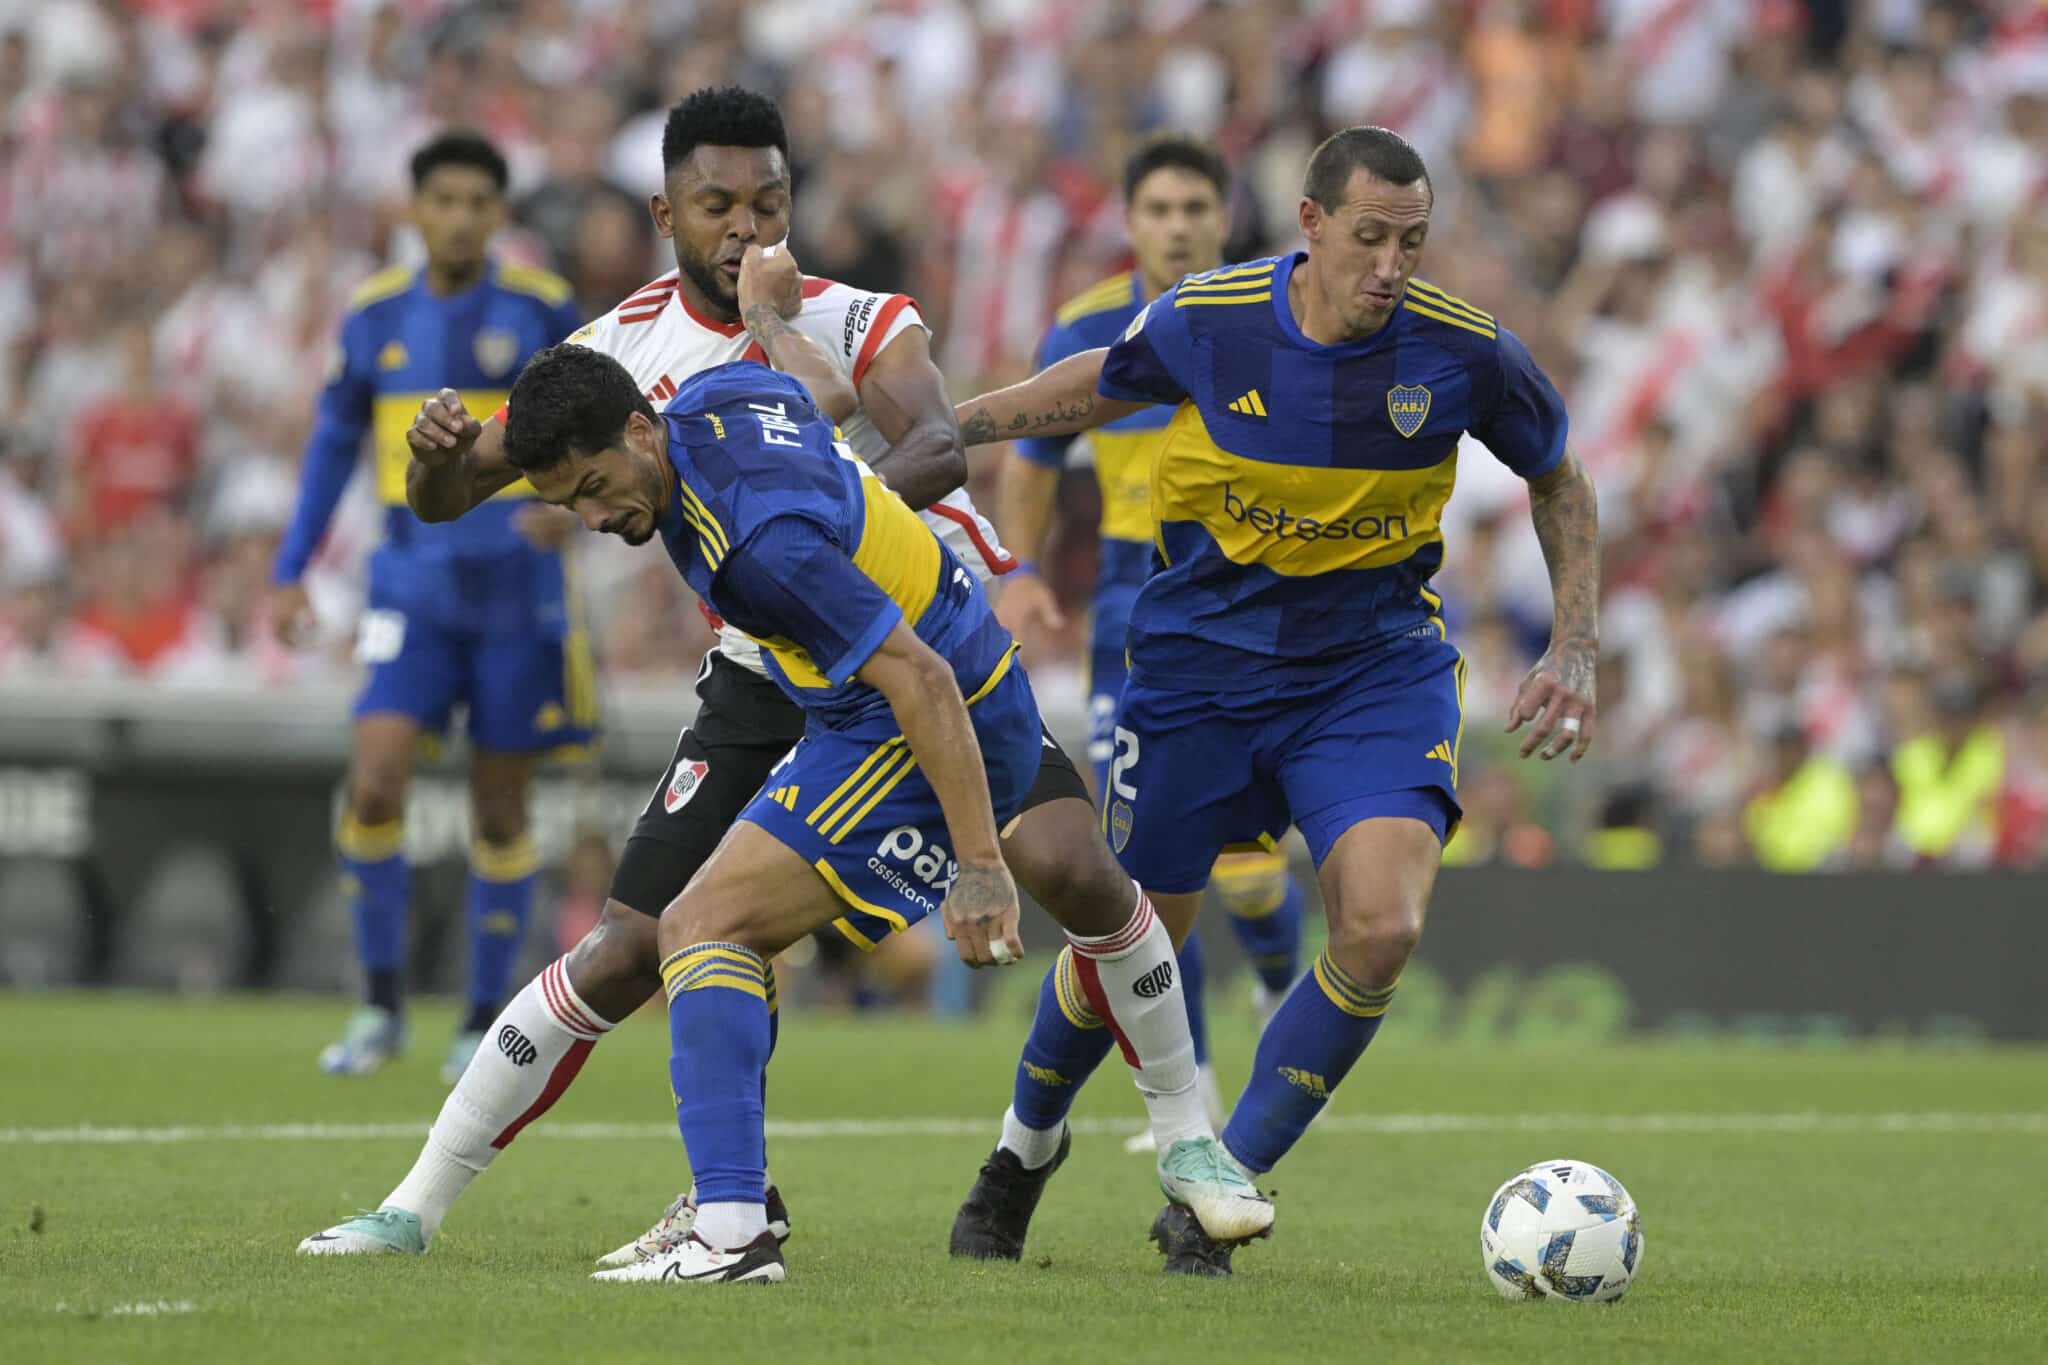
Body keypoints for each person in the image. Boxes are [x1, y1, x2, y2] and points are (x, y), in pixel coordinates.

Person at [297, 87, 1245, 1268]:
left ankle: (1176, 1137)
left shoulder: (847, 316)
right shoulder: (607, 358)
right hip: (765, 663)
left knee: (1068, 866)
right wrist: (434, 460)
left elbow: (937, 445)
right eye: (717, 205)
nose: (746, 226)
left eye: (768, 200)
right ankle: (424, 1207)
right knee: (632, 945)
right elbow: (459, 491)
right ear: (665, 215)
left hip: (894, 631)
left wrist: (804, 524)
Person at [946, 126, 1601, 1275]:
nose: (1389, 266)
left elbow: (1557, 478)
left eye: (1410, 241)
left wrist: (1575, 644)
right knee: (1131, 937)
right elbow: (1082, 390)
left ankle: (1217, 1189)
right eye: (1367, 238)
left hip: (1369, 673)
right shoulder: (1212, 319)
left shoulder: (1463, 352)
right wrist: (943, 431)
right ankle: (1021, 1150)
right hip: (1198, 670)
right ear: (1309, 225)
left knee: (1381, 926)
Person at [523, 347, 1268, 1283]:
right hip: (952, 673)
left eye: (594, 487)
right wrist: (769, 319)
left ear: (640, 430)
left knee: (701, 927)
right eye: (570, 505)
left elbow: (919, 679)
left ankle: (730, 1228)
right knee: (1087, 882)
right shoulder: (721, 393)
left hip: (910, 721)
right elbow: (825, 394)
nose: (595, 518)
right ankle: (1187, 1138)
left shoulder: (760, 545)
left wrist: (980, 864)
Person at [990, 133, 1309, 1164]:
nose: (1177, 227)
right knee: (1143, 859)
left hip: (1247, 596)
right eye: (1159, 210)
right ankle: (1194, 1082)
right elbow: (1034, 457)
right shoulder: (1087, 328)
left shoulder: (1275, 316)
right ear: (1130, 222)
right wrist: (1018, 571)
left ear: (1225, 220)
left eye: (1195, 209)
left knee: (1247, 871)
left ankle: (1277, 983)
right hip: (1131, 604)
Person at [270, 131, 588, 1082]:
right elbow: (333, 445)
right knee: (375, 780)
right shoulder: (374, 314)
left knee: (501, 806)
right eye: (442, 200)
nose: (458, 218)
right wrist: (291, 567)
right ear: (415, 210)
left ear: (498, 213)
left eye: (476, 202)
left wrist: (570, 507)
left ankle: (483, 1018)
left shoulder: (541, 307)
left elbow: (598, 424)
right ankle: (379, 1004)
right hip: (407, 589)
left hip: (515, 592)